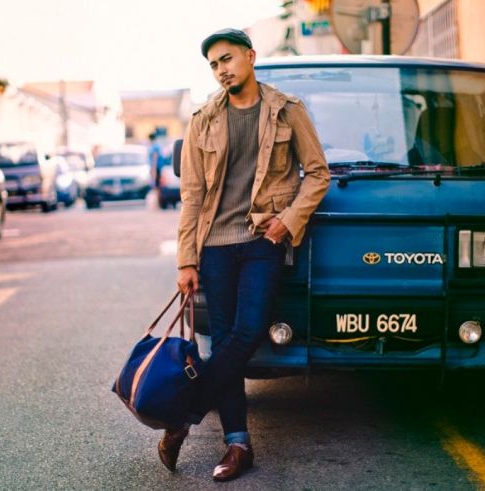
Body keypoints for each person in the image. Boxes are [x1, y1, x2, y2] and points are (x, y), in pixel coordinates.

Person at [166, 28, 330, 481]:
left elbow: (318, 174)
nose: (221, 69)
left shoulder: (286, 111)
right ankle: (237, 444)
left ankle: (183, 415)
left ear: (250, 57)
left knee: (248, 331)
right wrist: (186, 260)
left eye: (227, 59)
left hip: (263, 239)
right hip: (215, 245)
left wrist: (288, 221)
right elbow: (192, 195)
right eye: (214, 64)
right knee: (224, 342)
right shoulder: (203, 120)